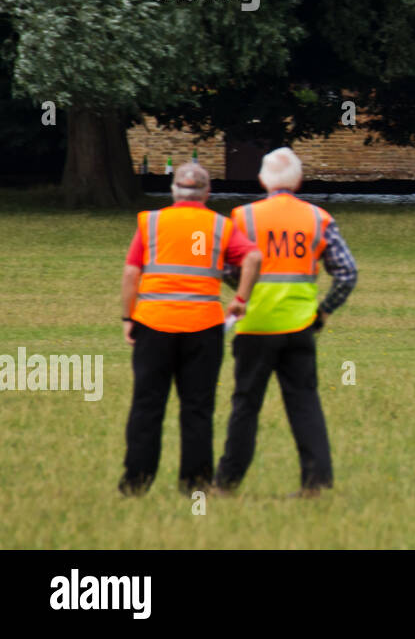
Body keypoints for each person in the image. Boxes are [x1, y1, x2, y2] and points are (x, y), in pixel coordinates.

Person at [215, 148, 357, 495]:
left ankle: (226, 483)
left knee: (246, 405)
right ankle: (317, 482)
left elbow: (225, 267)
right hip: (299, 325)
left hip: (255, 326)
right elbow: (347, 273)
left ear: (262, 180)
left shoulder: (243, 218)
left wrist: (243, 292)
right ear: (299, 181)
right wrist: (323, 312)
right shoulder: (318, 219)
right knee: (304, 403)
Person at [119, 162, 262, 495]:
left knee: (147, 405)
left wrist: (128, 318)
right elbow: (253, 258)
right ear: (207, 193)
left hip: (154, 324)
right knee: (197, 407)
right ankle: (195, 484)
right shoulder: (221, 226)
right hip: (204, 327)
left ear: (173, 190)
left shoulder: (150, 222)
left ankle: (136, 482)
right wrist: (240, 298)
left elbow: (130, 273)